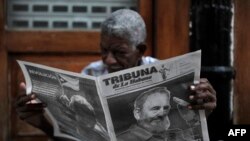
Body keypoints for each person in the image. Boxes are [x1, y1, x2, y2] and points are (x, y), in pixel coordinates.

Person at [15, 9, 217, 140]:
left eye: (119, 52)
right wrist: (42, 122)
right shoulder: (91, 73)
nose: (108, 60)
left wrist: (203, 110)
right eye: (103, 50)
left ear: (140, 50)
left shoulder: (162, 73)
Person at [118, 87, 194, 141]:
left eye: (165, 108)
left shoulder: (177, 134)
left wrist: (192, 119)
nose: (162, 113)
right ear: (137, 113)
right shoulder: (121, 139)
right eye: (155, 108)